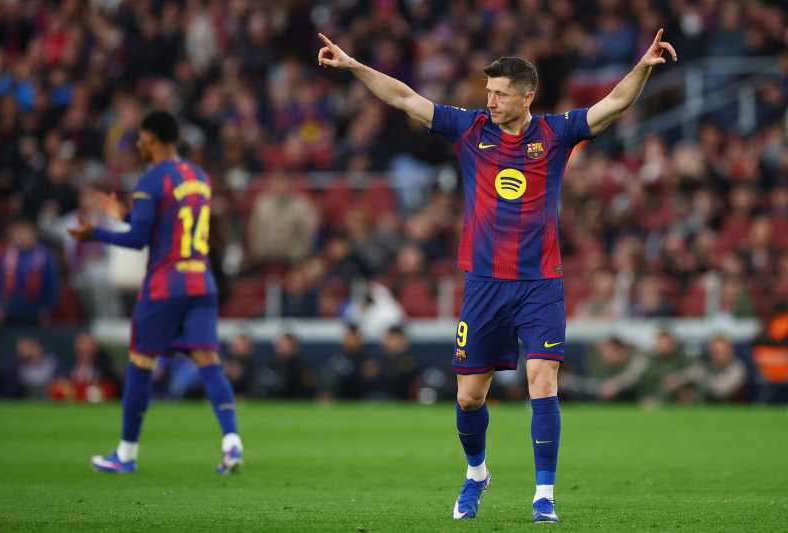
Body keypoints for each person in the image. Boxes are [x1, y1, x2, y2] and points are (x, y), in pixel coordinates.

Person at [318, 29, 677, 523]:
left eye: (500, 94)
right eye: (488, 91)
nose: (489, 101)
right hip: (484, 284)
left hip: (540, 284)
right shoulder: (470, 128)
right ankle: (476, 474)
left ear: (527, 96)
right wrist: (353, 65)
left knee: (542, 380)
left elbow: (614, 104)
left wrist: (643, 66)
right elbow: (404, 98)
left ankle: (544, 495)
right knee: (469, 397)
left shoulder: (555, 134)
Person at [68, 110, 243, 474]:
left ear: (154, 140)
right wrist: (125, 215)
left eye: (141, 138)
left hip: (166, 284)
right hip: (201, 280)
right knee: (209, 363)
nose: (138, 144)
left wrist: (94, 233)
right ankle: (232, 442)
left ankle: (126, 454)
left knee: (140, 364)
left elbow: (138, 240)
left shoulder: (150, 180)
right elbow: (168, 226)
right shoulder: (199, 176)